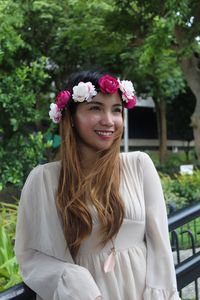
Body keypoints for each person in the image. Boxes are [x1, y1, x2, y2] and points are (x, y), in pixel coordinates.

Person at [14, 70, 180, 300]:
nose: (109, 121)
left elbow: (160, 246)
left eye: (116, 110)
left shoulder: (139, 165)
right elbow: (30, 255)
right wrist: (77, 284)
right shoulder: (44, 179)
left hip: (141, 292)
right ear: (71, 117)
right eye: (95, 108)